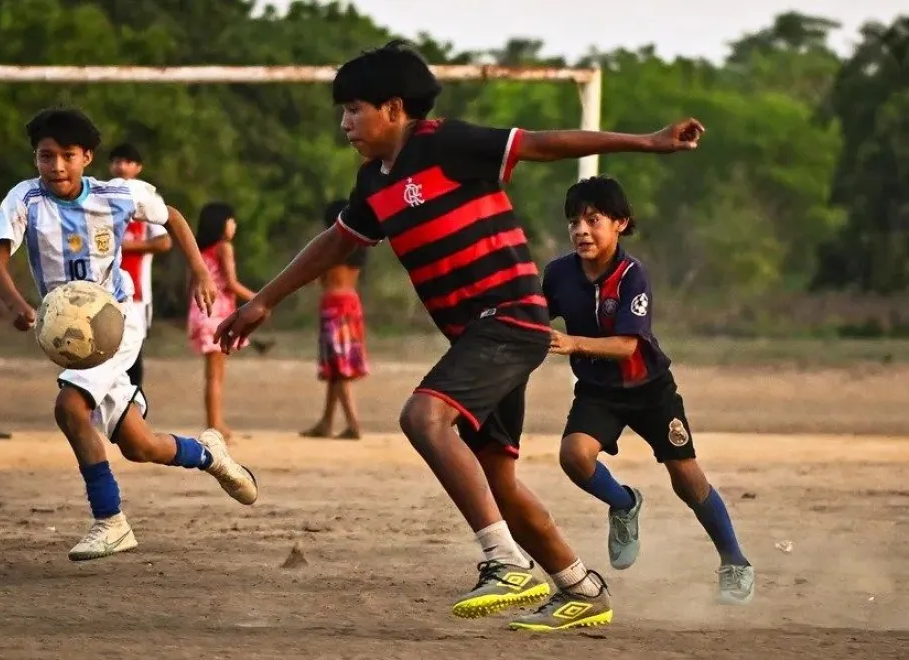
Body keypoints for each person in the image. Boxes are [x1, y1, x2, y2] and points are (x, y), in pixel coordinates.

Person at [215, 40, 705, 631]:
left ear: (394, 108)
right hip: (480, 336)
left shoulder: (444, 143)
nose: (344, 122)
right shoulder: (374, 182)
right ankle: (580, 587)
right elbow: (339, 241)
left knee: (423, 417)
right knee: (496, 478)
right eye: (341, 111)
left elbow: (544, 144)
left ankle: (504, 563)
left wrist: (647, 142)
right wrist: (263, 299)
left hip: (511, 317)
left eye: (354, 109)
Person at [0, 107, 258, 562]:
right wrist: (18, 304)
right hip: (70, 331)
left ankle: (110, 521)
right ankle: (209, 453)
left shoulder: (118, 194)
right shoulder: (24, 200)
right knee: (138, 444)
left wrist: (199, 271)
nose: (55, 166)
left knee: (70, 407)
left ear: (87, 157)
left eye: (66, 156)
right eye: (45, 156)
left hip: (115, 319)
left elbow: (171, 216)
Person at [541, 175, 754, 604]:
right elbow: (533, 320)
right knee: (573, 456)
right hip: (599, 391)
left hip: (650, 389)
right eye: (573, 222)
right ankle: (623, 503)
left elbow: (626, 345)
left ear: (620, 223)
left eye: (593, 219)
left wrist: (574, 343)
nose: (581, 230)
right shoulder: (559, 274)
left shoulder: (633, 276)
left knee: (687, 479)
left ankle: (735, 562)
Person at [299, 199, 369, 440]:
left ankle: (353, 423)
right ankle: (326, 422)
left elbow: (316, 275)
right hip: (352, 302)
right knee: (336, 368)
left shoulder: (334, 245)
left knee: (339, 370)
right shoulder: (359, 244)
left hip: (333, 307)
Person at [187, 203, 258, 440]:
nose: (234, 225)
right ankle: (214, 426)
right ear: (222, 224)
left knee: (212, 375)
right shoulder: (223, 248)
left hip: (201, 311)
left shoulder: (200, 251)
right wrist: (261, 300)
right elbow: (231, 283)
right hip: (216, 313)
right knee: (216, 375)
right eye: (231, 220)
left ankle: (216, 423)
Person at [109, 142, 172, 388]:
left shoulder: (147, 197)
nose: (121, 166)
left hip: (136, 291)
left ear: (138, 168)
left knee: (133, 351)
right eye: (116, 161)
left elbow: (164, 241)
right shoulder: (103, 194)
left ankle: (134, 408)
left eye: (127, 162)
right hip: (106, 290)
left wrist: (124, 246)